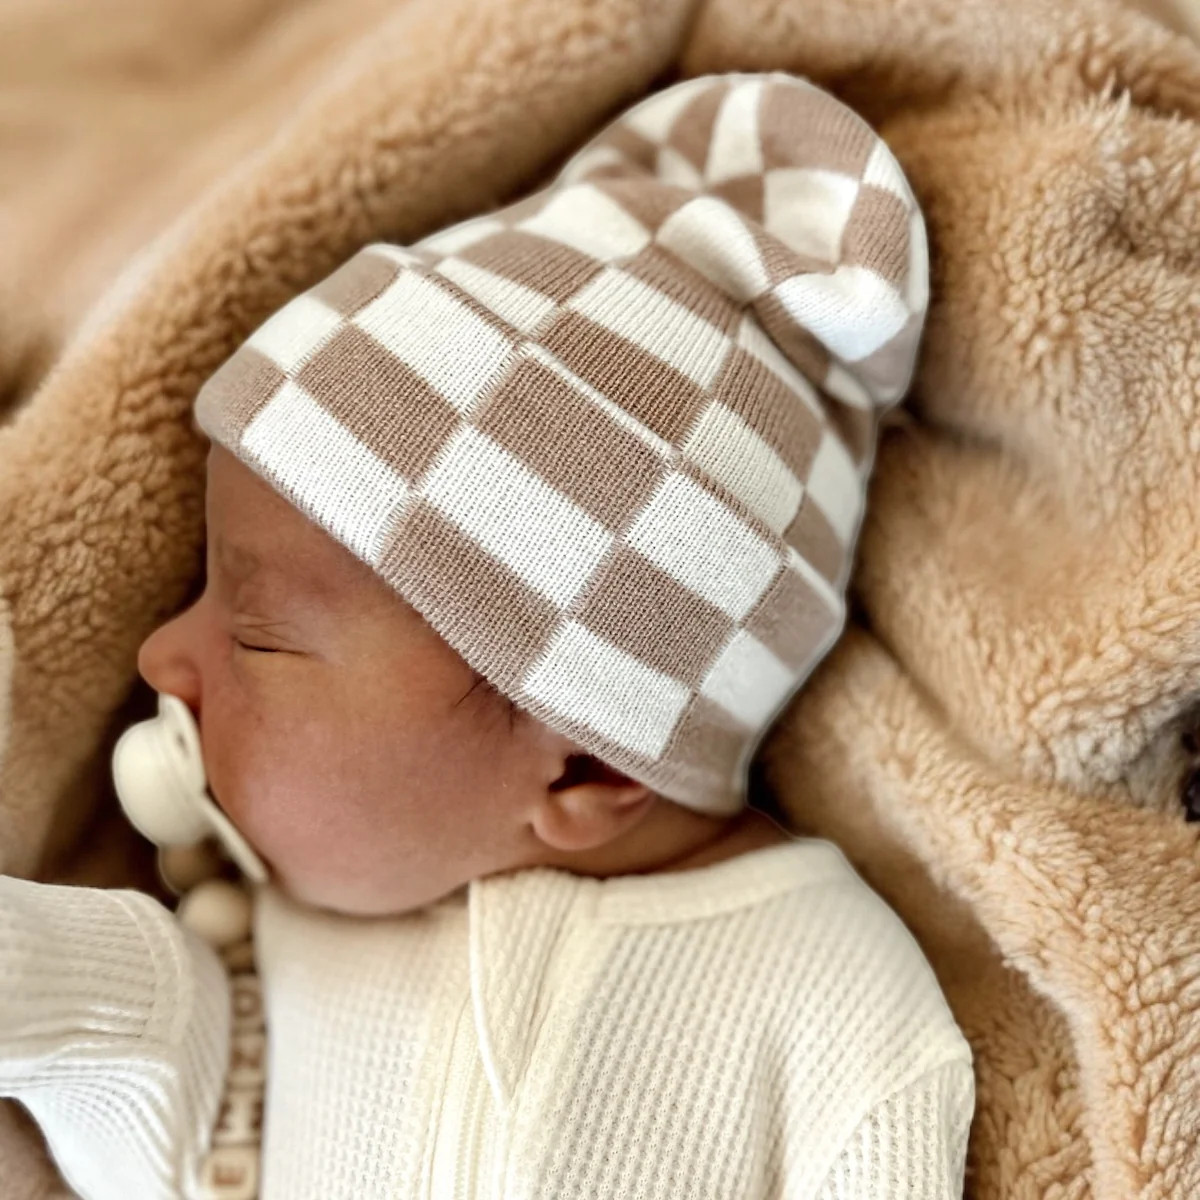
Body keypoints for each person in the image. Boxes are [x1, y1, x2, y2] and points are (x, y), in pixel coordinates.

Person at [0, 72, 974, 1199]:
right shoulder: (289, 954)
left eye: (257, 631)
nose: (163, 656)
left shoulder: (829, 1004)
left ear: (585, 766)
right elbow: (155, 1123)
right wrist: (95, 987)